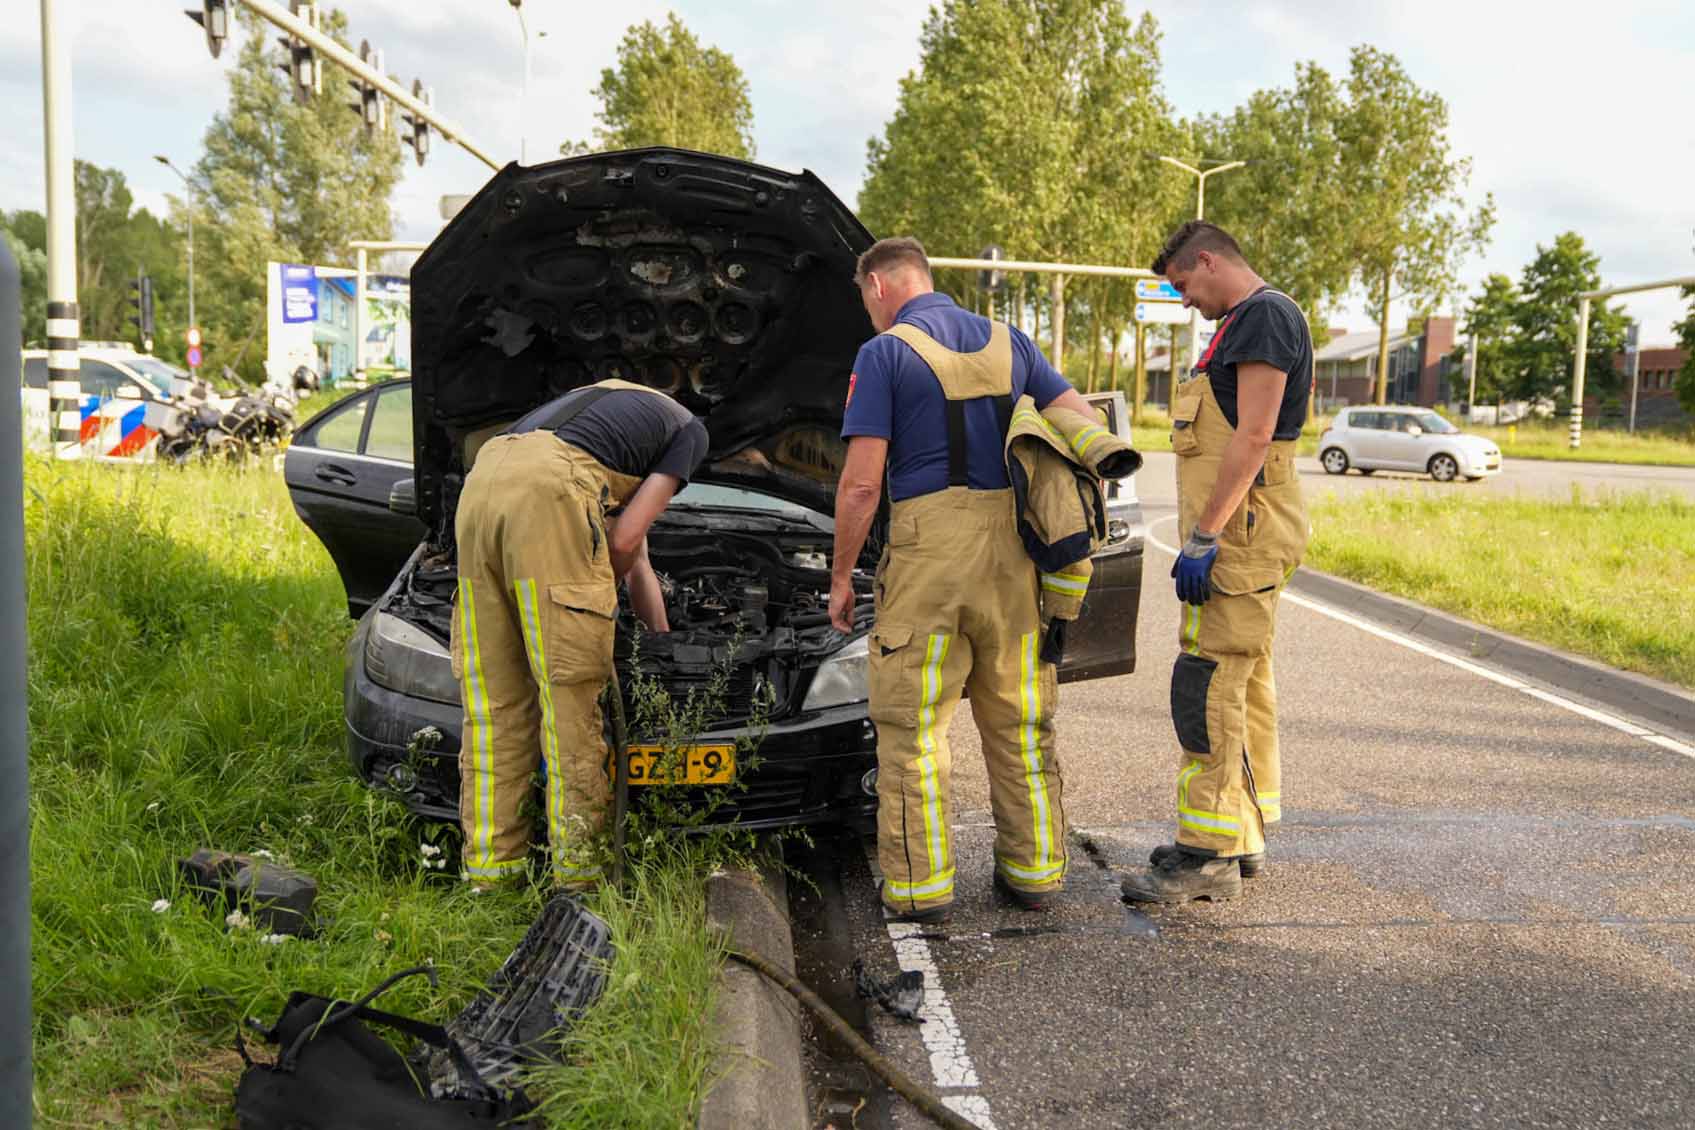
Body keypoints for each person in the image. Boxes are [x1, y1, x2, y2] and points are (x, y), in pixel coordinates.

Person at [828, 236, 1101, 922]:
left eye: (865, 300)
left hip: (928, 556)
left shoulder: (884, 353)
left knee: (914, 727)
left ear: (879, 287)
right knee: (1018, 721)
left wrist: (840, 576)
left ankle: (921, 892)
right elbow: (1083, 421)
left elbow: (862, 487)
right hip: (1013, 555)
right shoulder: (1012, 343)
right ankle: (1033, 875)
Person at [1120, 221, 1311, 905]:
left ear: (1207, 261)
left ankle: (1206, 855)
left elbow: (1255, 435)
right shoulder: (1241, 323)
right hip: (1246, 531)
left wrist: (1205, 535)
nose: (1182, 300)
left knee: (1209, 685)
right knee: (1243, 681)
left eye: (1181, 285)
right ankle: (1239, 834)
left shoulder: (1261, 317)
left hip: (1239, 536)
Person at [451, 378, 707, 888]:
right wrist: (586, 594)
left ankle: (491, 873)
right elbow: (626, 539)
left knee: (494, 706)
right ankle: (580, 877)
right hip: (549, 490)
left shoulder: (599, 411)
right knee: (570, 704)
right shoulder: (690, 432)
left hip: (481, 481)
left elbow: (638, 558)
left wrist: (658, 634)